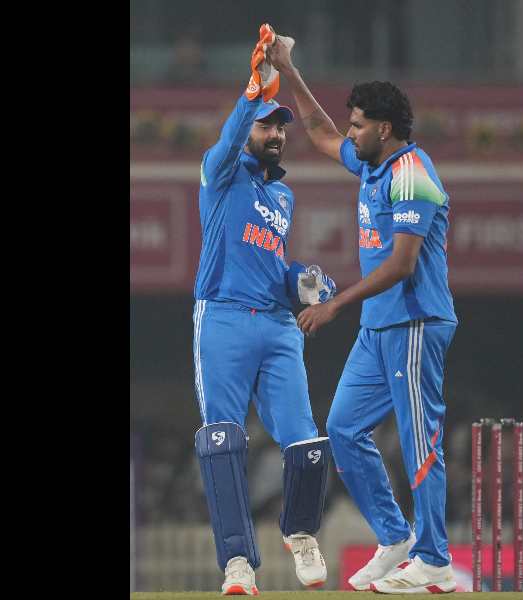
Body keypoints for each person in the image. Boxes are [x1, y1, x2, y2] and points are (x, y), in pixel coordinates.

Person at [267, 37, 459, 594]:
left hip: (414, 323)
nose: (349, 134)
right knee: (344, 428)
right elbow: (320, 132)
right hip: (379, 327)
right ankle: (395, 536)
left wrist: (335, 305)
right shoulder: (374, 165)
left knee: (420, 441)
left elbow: (402, 264)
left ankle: (435, 561)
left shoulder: (411, 172)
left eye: (358, 125)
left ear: (384, 128)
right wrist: (289, 70)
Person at [192, 24, 337, 596]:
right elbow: (229, 139)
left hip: (277, 327)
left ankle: (300, 532)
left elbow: (272, 265)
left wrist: (304, 283)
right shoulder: (219, 175)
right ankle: (237, 563)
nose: (276, 134)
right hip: (223, 318)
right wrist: (255, 88)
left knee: (307, 444)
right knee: (222, 439)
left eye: (281, 127)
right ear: (246, 129)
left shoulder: (283, 195)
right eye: (266, 125)